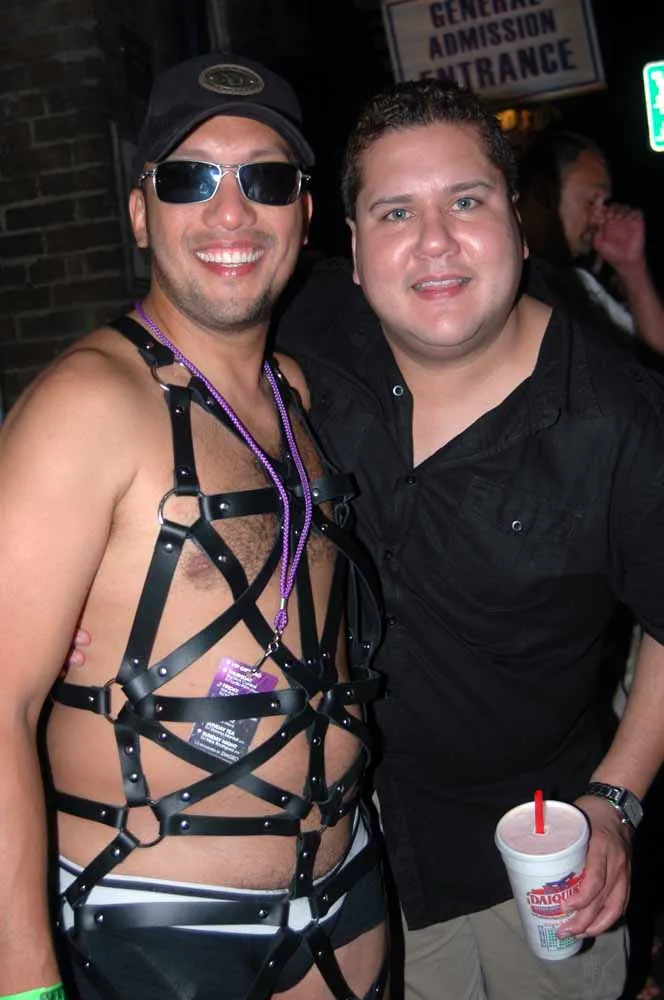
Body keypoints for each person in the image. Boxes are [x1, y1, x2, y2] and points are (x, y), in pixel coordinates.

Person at [0, 53, 388, 1000]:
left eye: (266, 180)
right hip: (153, 923)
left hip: (345, 889)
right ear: (140, 212)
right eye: (188, 179)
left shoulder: (293, 392)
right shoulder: (87, 406)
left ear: (303, 212)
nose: (230, 213)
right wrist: (25, 983)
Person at [269, 81, 664, 1000]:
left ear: (518, 224)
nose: (435, 240)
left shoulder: (621, 420)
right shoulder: (309, 329)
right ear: (354, 248)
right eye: (396, 212)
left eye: (466, 200)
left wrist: (615, 801)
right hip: (345, 847)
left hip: (535, 857)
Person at [517, 129, 664, 356]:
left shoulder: (578, 281)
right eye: (592, 200)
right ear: (544, 194)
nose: (601, 217)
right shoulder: (515, 290)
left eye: (604, 203)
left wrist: (632, 268)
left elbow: (656, 359)